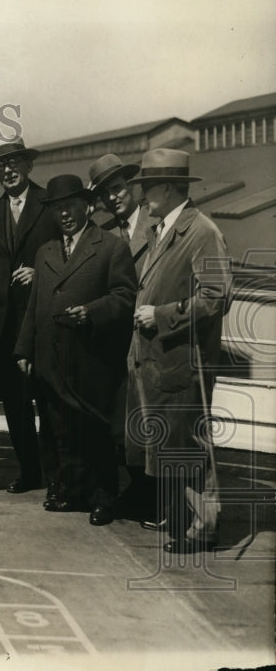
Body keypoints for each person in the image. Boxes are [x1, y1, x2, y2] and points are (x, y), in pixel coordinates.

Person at [14, 174, 137, 526]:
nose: (64, 214)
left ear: (88, 206)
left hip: (91, 359)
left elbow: (125, 296)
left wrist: (92, 311)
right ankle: (72, 492)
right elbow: (34, 306)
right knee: (59, 429)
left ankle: (104, 498)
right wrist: (24, 350)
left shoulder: (111, 247)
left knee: (95, 430)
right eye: (57, 209)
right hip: (49, 359)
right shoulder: (45, 251)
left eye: (70, 206)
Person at [126, 148, 231, 553]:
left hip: (185, 363)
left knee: (188, 446)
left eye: (148, 187)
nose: (142, 197)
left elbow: (216, 297)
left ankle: (203, 529)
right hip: (162, 363)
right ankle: (187, 520)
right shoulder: (163, 230)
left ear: (168, 188)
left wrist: (161, 315)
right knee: (173, 445)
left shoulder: (202, 232)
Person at [0, 137, 60, 495]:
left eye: (14, 163)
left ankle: (57, 476)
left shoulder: (51, 206)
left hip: (43, 321)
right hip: (4, 328)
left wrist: (41, 273)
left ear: (28, 165)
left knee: (50, 402)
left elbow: (72, 255)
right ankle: (30, 472)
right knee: (16, 404)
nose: (8, 170)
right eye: (1, 166)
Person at [88, 153, 158, 520]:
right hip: (117, 341)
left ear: (131, 187)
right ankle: (132, 491)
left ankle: (151, 494)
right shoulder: (103, 235)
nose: (113, 197)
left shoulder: (158, 225)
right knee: (121, 422)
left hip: (152, 336)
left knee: (149, 418)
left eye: (117, 188)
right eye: (105, 193)